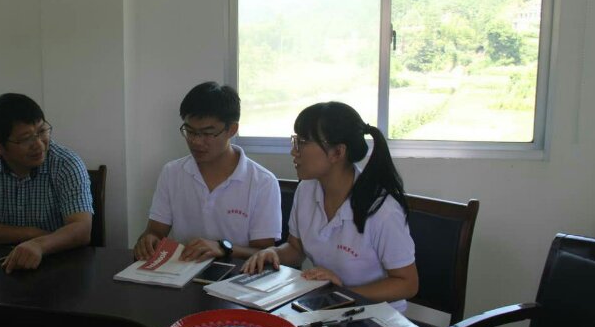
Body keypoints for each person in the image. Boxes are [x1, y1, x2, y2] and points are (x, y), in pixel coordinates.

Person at [242, 102, 418, 310]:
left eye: (303, 142)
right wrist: (274, 253)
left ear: (337, 152)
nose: (294, 151)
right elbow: (296, 248)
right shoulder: (306, 189)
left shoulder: (382, 210)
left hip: (376, 316)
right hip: (327, 306)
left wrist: (344, 293)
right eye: (295, 140)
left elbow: (407, 284)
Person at [134, 81, 282, 262]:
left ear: (232, 130)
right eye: (190, 131)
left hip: (238, 273)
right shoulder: (172, 173)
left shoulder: (262, 182)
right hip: (183, 270)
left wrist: (222, 248)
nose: (196, 141)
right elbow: (155, 231)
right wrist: (148, 240)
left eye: (207, 133)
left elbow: (264, 252)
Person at [0, 93, 93, 273]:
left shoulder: (66, 164)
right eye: (26, 138)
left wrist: (39, 245)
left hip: (56, 265)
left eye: (42, 131)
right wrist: (30, 234)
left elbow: (82, 228)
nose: (39, 144)